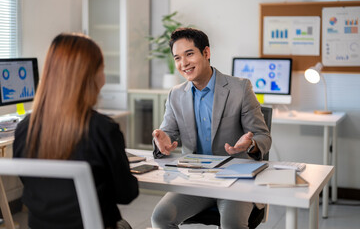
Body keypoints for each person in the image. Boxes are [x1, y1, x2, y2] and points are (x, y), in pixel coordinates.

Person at [13, 33, 138, 229]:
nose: (104, 79)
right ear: (91, 76)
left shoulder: (24, 129)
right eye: (102, 70)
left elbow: (29, 182)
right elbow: (126, 194)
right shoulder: (103, 130)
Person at [151, 28, 271, 229]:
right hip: (195, 177)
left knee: (232, 224)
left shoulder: (240, 88)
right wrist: (161, 141)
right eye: (178, 58)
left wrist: (250, 144)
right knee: (160, 218)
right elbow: (168, 134)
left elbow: (263, 136)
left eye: (190, 54)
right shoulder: (176, 94)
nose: (184, 63)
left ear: (206, 53)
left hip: (235, 177)